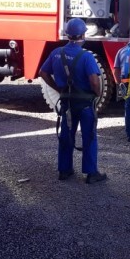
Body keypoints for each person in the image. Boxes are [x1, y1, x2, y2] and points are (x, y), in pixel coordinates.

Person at [39, 18, 107, 184]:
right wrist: (97, 93)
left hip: (67, 103)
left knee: (66, 136)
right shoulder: (86, 57)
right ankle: (91, 173)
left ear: (68, 34)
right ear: (83, 35)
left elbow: (43, 72)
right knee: (89, 136)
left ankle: (64, 170)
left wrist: (57, 88)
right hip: (84, 104)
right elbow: (94, 81)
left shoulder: (56, 53)